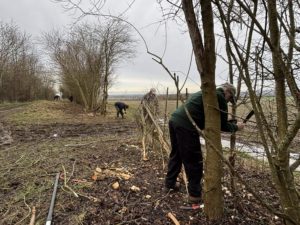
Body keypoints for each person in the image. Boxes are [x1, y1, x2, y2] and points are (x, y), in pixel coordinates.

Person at [165, 83, 245, 203]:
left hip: (175, 120)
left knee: (177, 154)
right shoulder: (219, 97)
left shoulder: (207, 92)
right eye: (230, 98)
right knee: (194, 160)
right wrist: (236, 127)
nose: (228, 101)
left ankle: (170, 184)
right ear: (227, 91)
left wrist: (231, 123)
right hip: (186, 126)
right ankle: (195, 195)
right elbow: (222, 125)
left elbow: (212, 118)